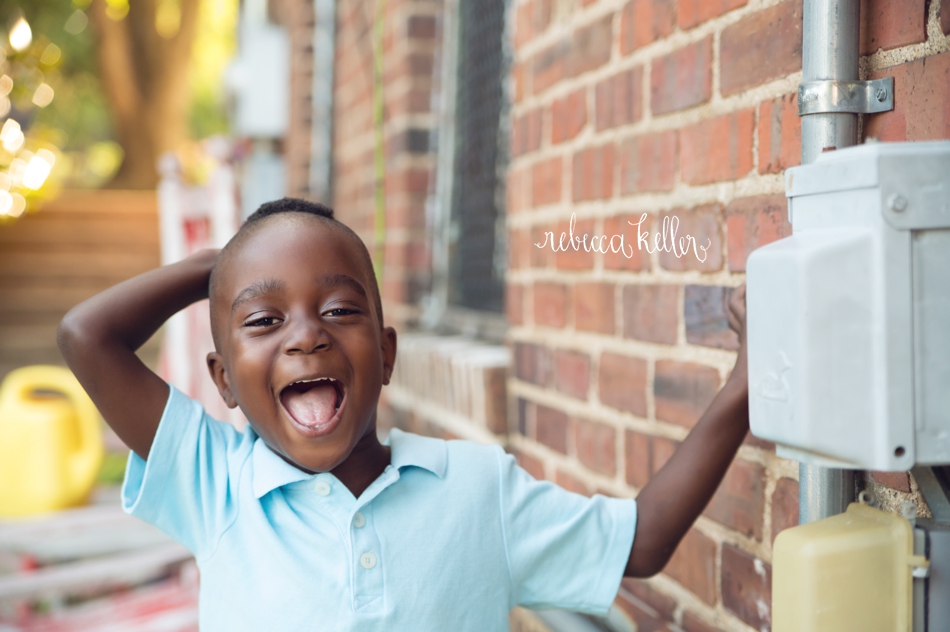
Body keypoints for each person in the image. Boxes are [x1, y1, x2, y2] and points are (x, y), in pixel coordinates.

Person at [58, 198, 750, 631]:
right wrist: (217, 265)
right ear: (225, 382)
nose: (306, 335)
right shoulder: (217, 484)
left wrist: (745, 384)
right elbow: (87, 337)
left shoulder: (478, 490)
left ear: (385, 356)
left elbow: (643, 539)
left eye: (339, 310)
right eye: (265, 318)